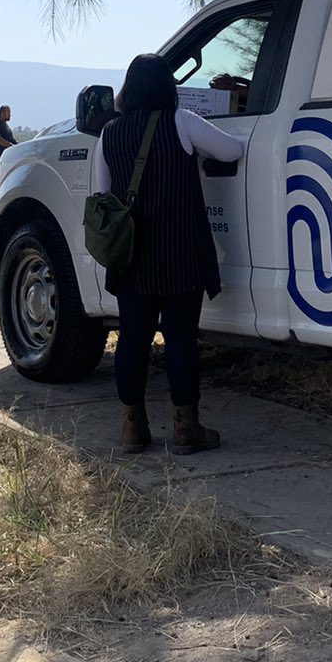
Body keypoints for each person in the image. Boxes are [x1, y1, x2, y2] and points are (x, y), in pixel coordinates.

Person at [98, 53, 245, 455]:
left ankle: (132, 428)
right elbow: (231, 150)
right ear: (168, 85)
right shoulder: (182, 121)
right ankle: (185, 429)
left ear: (129, 88)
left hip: (129, 256)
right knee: (181, 339)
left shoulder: (109, 133)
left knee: (132, 340)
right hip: (180, 252)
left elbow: (103, 194)